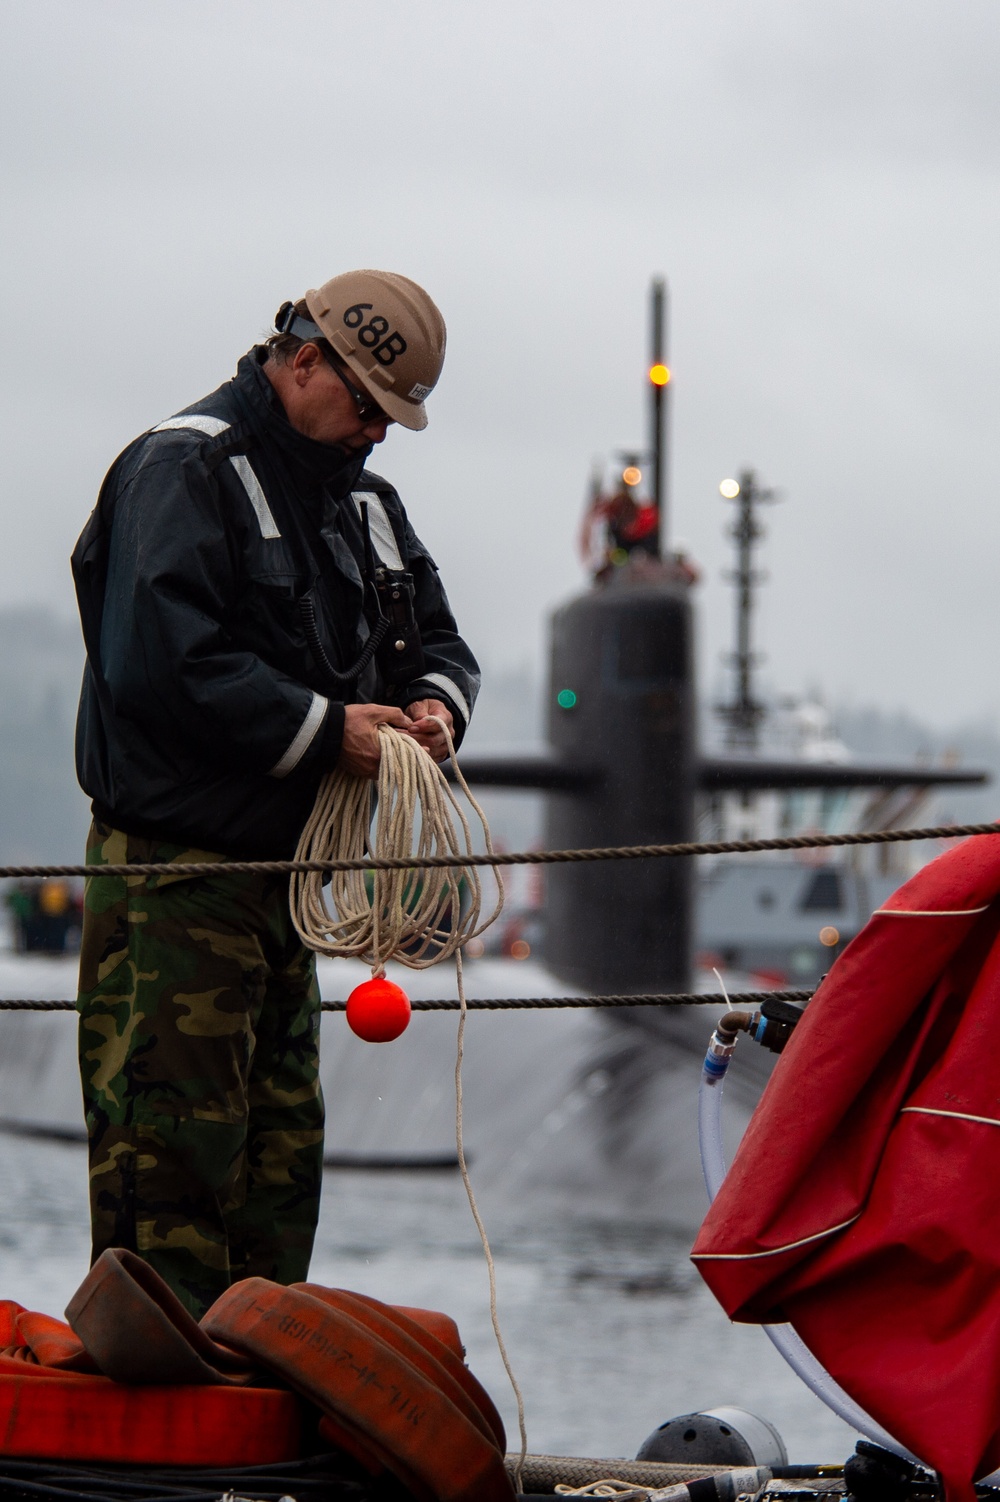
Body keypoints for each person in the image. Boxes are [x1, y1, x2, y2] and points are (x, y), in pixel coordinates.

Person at [71, 270, 479, 1316]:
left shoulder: (365, 506)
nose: (376, 436)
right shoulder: (184, 469)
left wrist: (432, 706)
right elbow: (161, 662)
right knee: (170, 1156)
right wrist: (329, 731)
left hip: (284, 888)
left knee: (277, 1156)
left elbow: (436, 642)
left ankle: (251, 1365)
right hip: (178, 880)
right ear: (303, 362)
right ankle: (163, 1379)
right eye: (369, 408)